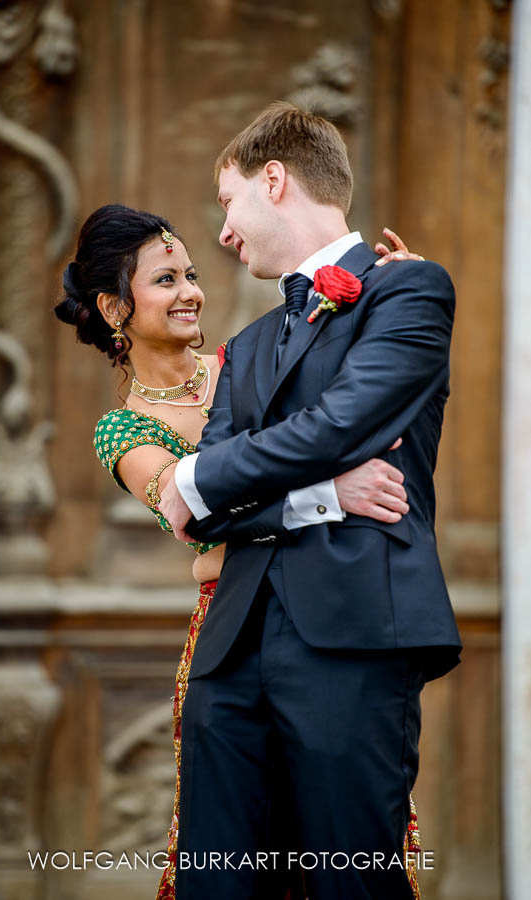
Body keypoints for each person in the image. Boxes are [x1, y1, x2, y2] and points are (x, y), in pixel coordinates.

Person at [54, 203, 425, 899]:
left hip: (329, 616)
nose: (191, 291)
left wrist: (392, 298)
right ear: (112, 307)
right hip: (234, 637)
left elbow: (361, 406)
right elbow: (199, 519)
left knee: (345, 844)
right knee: (235, 856)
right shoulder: (124, 430)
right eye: (165, 280)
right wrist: (322, 497)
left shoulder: (253, 362)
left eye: (190, 274)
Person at [159, 102, 463, 900]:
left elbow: (338, 424)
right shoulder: (250, 344)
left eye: (226, 203)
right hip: (229, 657)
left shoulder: (409, 292)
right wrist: (322, 494)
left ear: (273, 178)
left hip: (352, 638)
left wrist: (192, 477)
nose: (222, 234)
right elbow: (215, 517)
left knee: (346, 883)